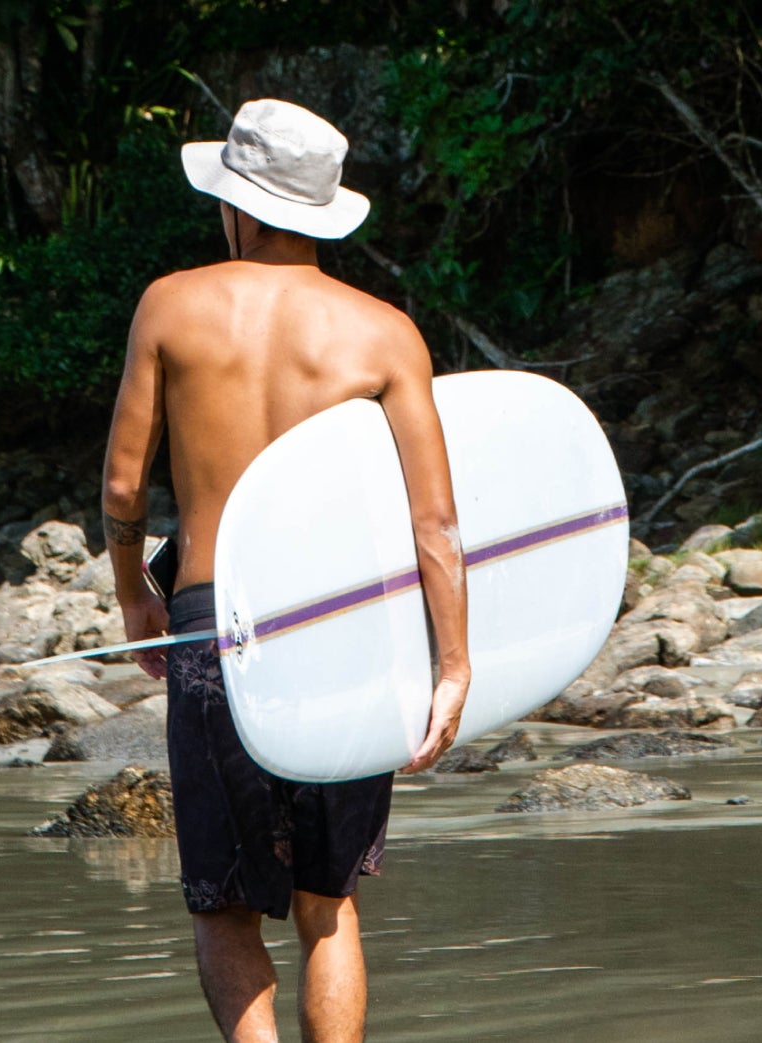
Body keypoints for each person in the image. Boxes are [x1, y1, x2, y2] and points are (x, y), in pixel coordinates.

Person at [100, 98, 471, 1043]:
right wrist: (453, 664)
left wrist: (134, 593)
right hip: (344, 628)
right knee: (328, 900)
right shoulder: (386, 333)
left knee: (225, 905)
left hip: (215, 624)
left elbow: (123, 486)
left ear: (240, 206)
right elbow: (434, 522)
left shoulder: (170, 304)